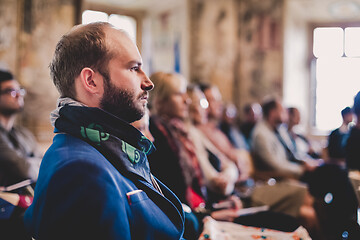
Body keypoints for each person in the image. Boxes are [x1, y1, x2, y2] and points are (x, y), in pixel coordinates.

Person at [24, 22, 185, 240]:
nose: (148, 82)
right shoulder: (81, 171)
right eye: (134, 68)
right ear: (91, 81)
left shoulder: (107, 147)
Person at [0, 69, 40, 239]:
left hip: (25, 209)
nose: (19, 95)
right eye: (11, 91)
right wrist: (31, 162)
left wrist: (30, 162)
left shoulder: (23, 134)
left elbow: (45, 164)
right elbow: (24, 170)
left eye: (20, 90)